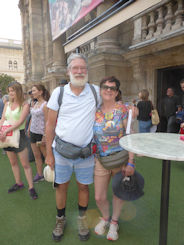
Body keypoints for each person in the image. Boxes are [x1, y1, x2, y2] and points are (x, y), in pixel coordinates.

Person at [45, 53, 100, 242]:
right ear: (68, 71)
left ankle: (82, 219)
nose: (79, 71)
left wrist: (128, 108)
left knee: (84, 187)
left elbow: (109, 107)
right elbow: (50, 125)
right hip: (60, 152)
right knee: (61, 187)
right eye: (75, 68)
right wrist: (48, 155)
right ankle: (60, 219)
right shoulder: (58, 93)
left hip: (86, 152)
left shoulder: (95, 91)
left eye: (83, 68)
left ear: (87, 71)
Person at [93, 76, 135, 241]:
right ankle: (105, 218)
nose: (108, 90)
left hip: (121, 158)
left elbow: (130, 135)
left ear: (117, 92)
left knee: (118, 193)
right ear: (101, 90)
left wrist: (131, 161)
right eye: (105, 87)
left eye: (112, 88)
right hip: (101, 160)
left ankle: (114, 222)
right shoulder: (94, 110)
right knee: (99, 196)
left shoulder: (123, 110)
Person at [0, 81, 38, 200]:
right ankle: (19, 183)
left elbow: (20, 122)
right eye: (9, 91)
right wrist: (1, 130)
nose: (11, 93)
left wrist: (6, 131)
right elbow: (2, 119)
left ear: (18, 91)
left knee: (25, 164)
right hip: (7, 135)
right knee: (13, 163)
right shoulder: (6, 104)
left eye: (13, 90)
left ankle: (31, 187)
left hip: (19, 135)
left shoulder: (25, 105)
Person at [28, 84, 50, 182]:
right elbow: (33, 117)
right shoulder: (35, 104)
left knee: (47, 156)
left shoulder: (45, 105)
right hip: (33, 132)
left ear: (40, 92)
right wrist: (28, 129)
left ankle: (54, 175)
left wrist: (45, 136)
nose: (32, 93)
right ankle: (40, 174)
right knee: (36, 155)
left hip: (41, 134)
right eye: (32, 91)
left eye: (34, 90)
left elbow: (47, 121)